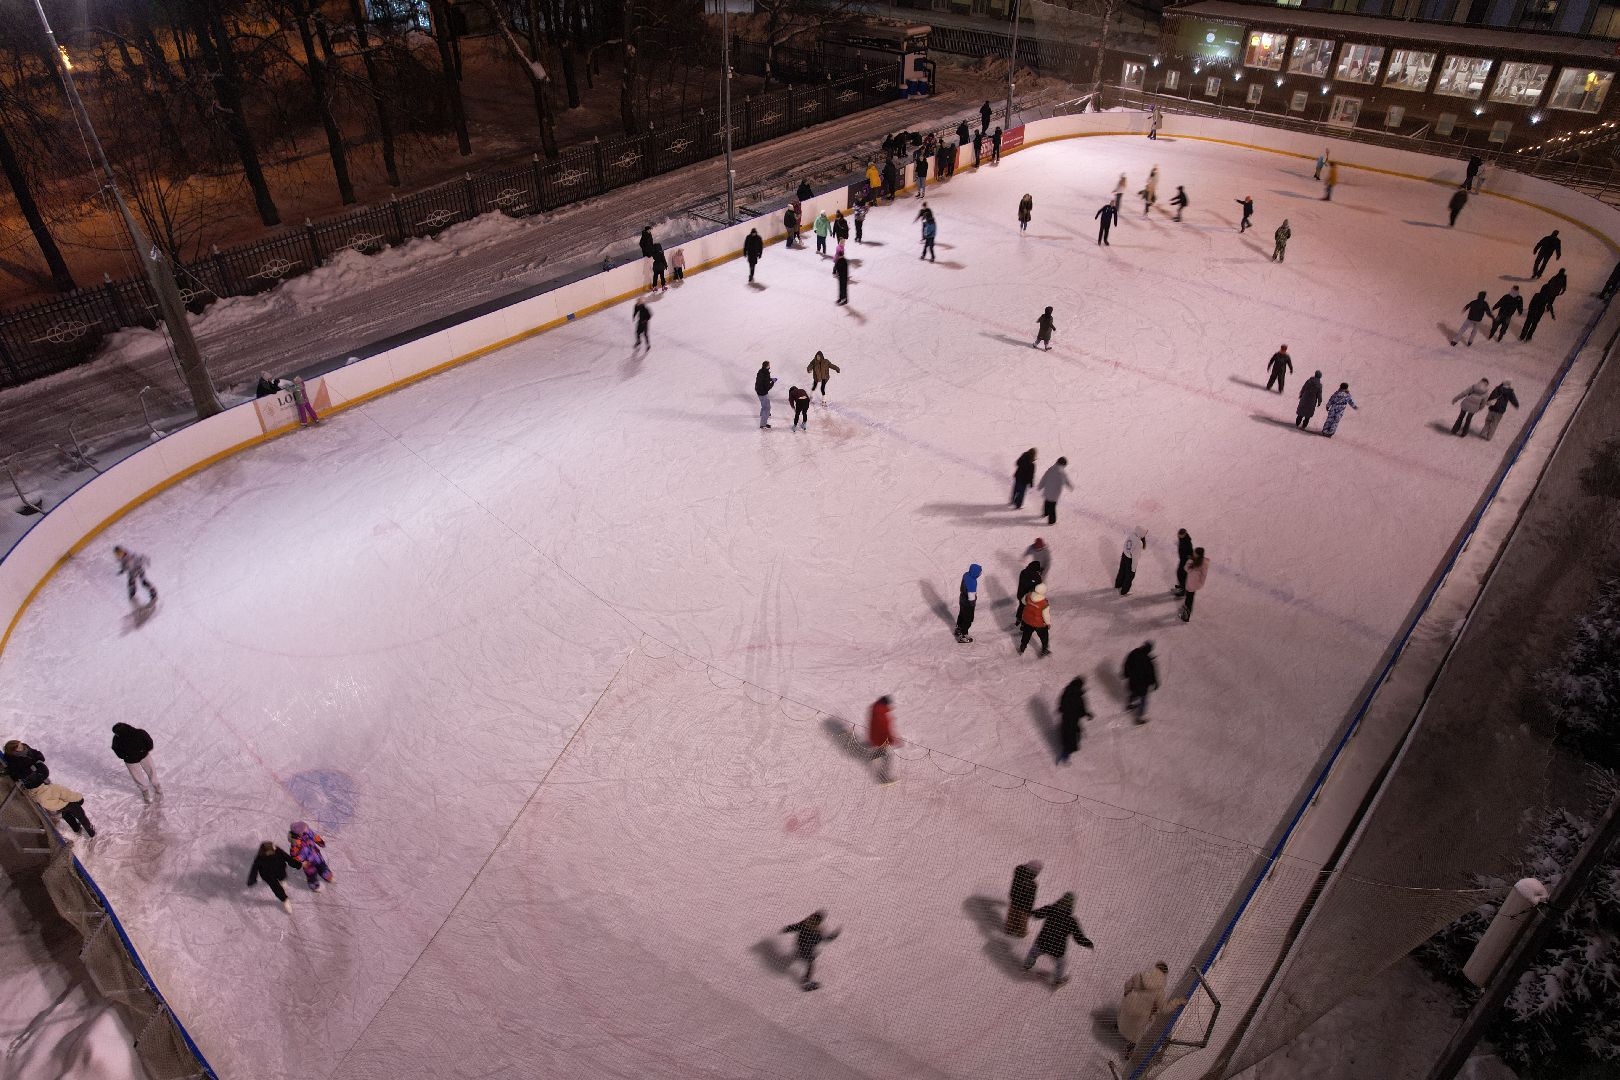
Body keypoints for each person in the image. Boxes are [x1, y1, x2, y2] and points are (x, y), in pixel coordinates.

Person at [1022, 892, 1093, 987]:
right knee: (1061, 964)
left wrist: (1029, 912)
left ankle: (1026, 967)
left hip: (1043, 942)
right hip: (1057, 948)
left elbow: (1037, 914)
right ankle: (1057, 981)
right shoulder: (1071, 921)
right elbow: (1078, 937)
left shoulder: (1051, 909)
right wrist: (1088, 943)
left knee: (1033, 953)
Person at [1119, 962, 1183, 1053]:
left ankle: (1118, 1026)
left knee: (1124, 1013)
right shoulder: (1159, 991)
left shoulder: (1140, 976)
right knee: (1138, 1031)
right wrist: (1178, 1001)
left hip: (1129, 1004)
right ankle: (1129, 1048)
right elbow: (1165, 1009)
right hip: (1141, 1014)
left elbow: (1127, 985)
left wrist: (1127, 994)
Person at [781, 911, 839, 990]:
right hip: (806, 949)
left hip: (801, 945)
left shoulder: (806, 923)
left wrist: (787, 929)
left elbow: (795, 927)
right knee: (811, 964)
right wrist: (834, 935)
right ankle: (806, 982)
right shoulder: (817, 931)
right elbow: (826, 939)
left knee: (806, 953)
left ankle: (801, 954)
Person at [247, 841, 302, 912]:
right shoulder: (259, 858)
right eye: (268, 853)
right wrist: (252, 879)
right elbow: (254, 869)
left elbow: (287, 858)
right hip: (268, 875)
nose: (270, 854)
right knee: (276, 888)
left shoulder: (278, 851)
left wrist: (296, 864)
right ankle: (285, 900)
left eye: (271, 852)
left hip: (280, 869)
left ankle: (282, 880)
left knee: (282, 876)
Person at [31, 781, 95, 840]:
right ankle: (91, 832)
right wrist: (79, 797)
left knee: (68, 816)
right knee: (81, 817)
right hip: (69, 805)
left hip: (59, 809)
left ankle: (76, 829)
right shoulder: (52, 788)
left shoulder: (36, 797)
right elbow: (68, 795)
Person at [110, 723, 158, 800]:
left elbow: (149, 741)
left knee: (151, 770)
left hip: (144, 756)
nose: (116, 735)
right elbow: (115, 749)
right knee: (137, 776)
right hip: (130, 760)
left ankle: (156, 784)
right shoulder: (117, 739)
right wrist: (124, 756)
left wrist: (144, 750)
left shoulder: (139, 733)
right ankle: (144, 790)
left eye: (117, 733)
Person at [289, 821, 333, 891]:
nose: (306, 830)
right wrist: (302, 862)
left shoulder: (308, 832)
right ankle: (313, 883)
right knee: (311, 872)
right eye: (304, 830)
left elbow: (314, 836)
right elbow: (293, 855)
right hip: (307, 861)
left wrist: (320, 842)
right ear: (299, 833)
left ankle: (326, 874)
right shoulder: (295, 843)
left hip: (315, 854)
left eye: (306, 829)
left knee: (321, 865)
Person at [1056, 676, 1090, 763]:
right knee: (1072, 736)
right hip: (1072, 719)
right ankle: (1065, 754)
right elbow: (1081, 708)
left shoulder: (1067, 691)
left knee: (1067, 732)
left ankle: (1065, 750)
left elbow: (1062, 702)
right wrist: (1086, 714)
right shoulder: (1078, 696)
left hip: (1066, 717)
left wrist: (1061, 709)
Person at [1123, 642, 1159, 724]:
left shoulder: (1134, 653)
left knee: (1134, 692)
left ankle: (1130, 704)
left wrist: (1126, 673)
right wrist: (1155, 683)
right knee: (1143, 700)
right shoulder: (1148, 661)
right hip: (1142, 684)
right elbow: (1151, 674)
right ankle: (1138, 719)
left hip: (1133, 681)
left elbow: (1127, 663)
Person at [868, 696, 901, 783]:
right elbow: (884, 729)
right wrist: (891, 740)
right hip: (880, 739)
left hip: (874, 737)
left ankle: (874, 756)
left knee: (881, 750)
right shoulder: (881, 714)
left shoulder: (876, 709)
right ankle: (884, 778)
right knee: (888, 758)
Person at [1005, 861, 1043, 936]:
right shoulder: (1032, 885)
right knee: (1022, 921)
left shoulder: (1019, 874)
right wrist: (1029, 909)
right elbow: (1031, 898)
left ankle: (1009, 929)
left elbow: (1018, 868)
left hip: (1015, 901)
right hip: (1024, 906)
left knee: (1012, 916)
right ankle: (1020, 933)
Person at [1018, 584, 1051, 657]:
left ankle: (1022, 647)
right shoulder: (1044, 603)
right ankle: (1044, 649)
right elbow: (1046, 615)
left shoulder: (1028, 595)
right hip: (1039, 624)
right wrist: (1048, 623)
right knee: (1044, 636)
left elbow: (1023, 601)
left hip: (1027, 620)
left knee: (1026, 634)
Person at [1037, 457, 1072, 525]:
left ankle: (1045, 513)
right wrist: (1070, 486)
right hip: (1055, 493)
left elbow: (1044, 478)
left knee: (1047, 502)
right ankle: (1051, 521)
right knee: (1052, 507)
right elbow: (1066, 481)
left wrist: (1040, 486)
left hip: (1047, 491)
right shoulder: (1062, 473)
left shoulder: (1051, 469)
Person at [1115, 526, 1147, 596]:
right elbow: (1135, 557)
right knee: (1129, 576)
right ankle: (1124, 591)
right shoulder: (1139, 543)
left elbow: (1125, 544)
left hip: (1124, 555)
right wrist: (1133, 569)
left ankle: (1118, 584)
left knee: (1122, 571)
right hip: (1130, 560)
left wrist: (1125, 553)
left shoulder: (1131, 535)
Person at [1014, 558, 1044, 630]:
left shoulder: (1023, 572)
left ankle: (1018, 619)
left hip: (1020, 594)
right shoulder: (1037, 576)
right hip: (1029, 597)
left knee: (1021, 606)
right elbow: (1038, 587)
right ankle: (1023, 626)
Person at [1179, 547, 1208, 622]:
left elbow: (1186, 568)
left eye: (1195, 553)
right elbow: (1203, 574)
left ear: (1197, 555)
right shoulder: (1204, 562)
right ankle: (1186, 611)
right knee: (1190, 598)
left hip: (1191, 584)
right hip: (1197, 583)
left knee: (1189, 599)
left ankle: (1186, 616)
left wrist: (1190, 560)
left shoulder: (1192, 563)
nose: (1193, 553)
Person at [956, 563, 981, 643]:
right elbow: (971, 597)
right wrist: (973, 605)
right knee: (968, 619)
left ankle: (958, 629)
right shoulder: (972, 582)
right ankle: (963, 635)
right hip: (968, 603)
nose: (980, 573)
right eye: (979, 572)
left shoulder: (966, 574)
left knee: (962, 614)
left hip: (962, 599)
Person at [1172, 529, 1194, 597]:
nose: (1178, 536)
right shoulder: (1182, 538)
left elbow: (1191, 553)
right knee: (1179, 574)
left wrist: (1189, 561)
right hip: (1182, 559)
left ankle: (1183, 591)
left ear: (1184, 535)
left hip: (1185, 561)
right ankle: (1181, 586)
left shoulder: (1188, 543)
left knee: (1182, 575)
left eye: (1179, 535)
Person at [755, 362, 776, 429]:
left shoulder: (760, 371)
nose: (770, 366)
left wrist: (770, 379)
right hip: (763, 393)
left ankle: (762, 414)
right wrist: (772, 382)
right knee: (767, 408)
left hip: (758, 391)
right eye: (769, 365)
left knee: (763, 404)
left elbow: (762, 379)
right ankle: (763, 424)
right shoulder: (766, 374)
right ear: (767, 366)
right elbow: (767, 387)